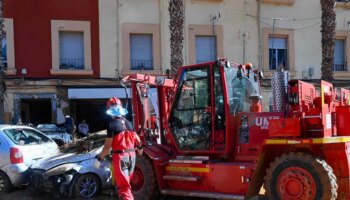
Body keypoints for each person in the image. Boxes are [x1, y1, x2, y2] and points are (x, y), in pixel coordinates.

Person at [97, 97, 143, 200]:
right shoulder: (129, 123)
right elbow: (138, 141)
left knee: (124, 188)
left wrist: (100, 158)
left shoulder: (112, 125)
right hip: (132, 157)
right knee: (126, 186)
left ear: (109, 110)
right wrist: (140, 149)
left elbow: (107, 147)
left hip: (121, 157)